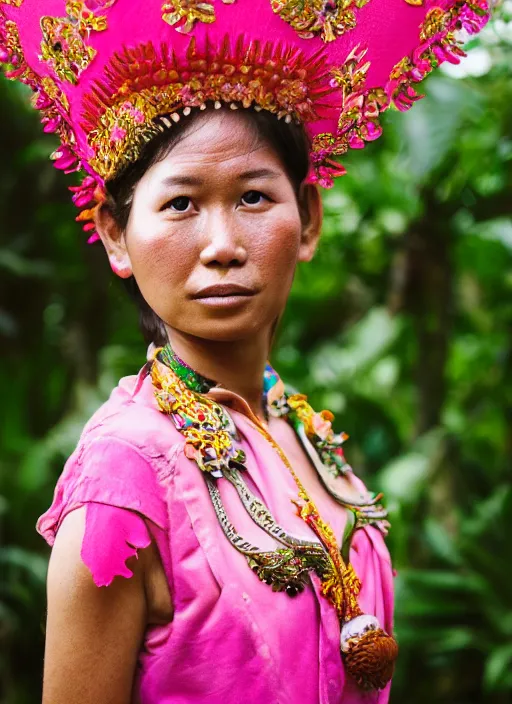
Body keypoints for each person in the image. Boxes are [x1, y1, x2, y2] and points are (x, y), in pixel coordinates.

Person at [0, 1, 490, 703]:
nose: (223, 244)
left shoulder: (303, 427)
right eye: (179, 204)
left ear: (309, 218)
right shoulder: (124, 473)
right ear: (115, 234)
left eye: (255, 197)